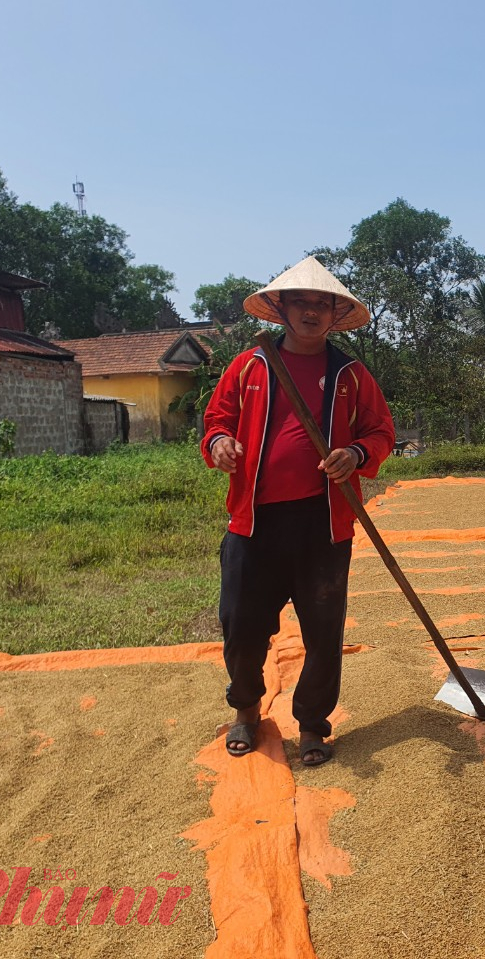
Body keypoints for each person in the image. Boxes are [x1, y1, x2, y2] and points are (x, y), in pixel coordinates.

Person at [201, 256, 394, 766]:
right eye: (301, 302)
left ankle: (313, 723)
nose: (312, 311)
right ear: (280, 309)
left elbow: (380, 432)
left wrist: (354, 454)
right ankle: (247, 710)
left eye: (322, 304)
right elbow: (217, 419)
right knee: (240, 624)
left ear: (335, 314)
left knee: (323, 630)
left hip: (323, 525)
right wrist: (219, 442)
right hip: (255, 524)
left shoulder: (350, 374)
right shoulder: (250, 366)